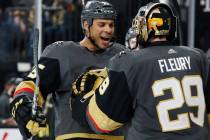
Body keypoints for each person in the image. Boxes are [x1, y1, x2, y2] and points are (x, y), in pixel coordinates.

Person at [71, 2, 210, 140]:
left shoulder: (129, 62)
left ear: (141, 27)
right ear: (171, 25)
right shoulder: (198, 57)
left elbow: (101, 122)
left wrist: (80, 102)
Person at [9, 0, 126, 140]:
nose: (108, 29)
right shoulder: (61, 53)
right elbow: (31, 85)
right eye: (101, 24)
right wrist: (24, 106)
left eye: (111, 25)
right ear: (86, 25)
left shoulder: (121, 55)